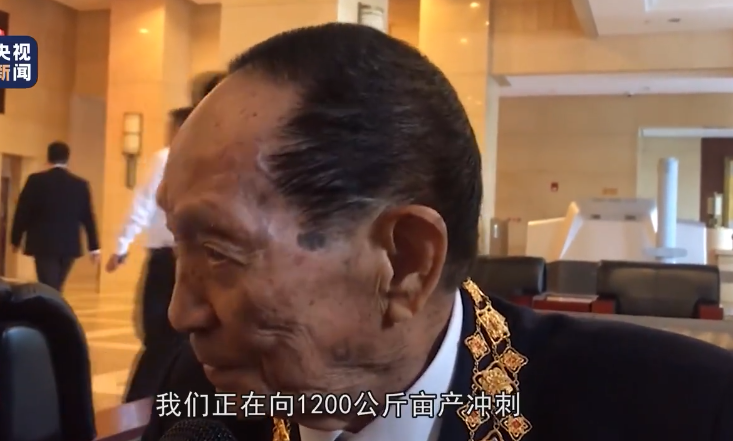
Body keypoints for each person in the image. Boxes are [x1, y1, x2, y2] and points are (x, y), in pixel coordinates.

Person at [143, 23, 733, 441]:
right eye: (178, 241)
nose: (180, 313)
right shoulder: (203, 391)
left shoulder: (683, 411)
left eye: (218, 251)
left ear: (405, 263)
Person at [106, 107, 195, 402]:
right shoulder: (208, 161)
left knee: (159, 338)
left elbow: (143, 203)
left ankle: (137, 407)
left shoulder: (167, 158)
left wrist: (122, 245)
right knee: (177, 340)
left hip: (166, 259)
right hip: (190, 259)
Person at [11, 141, 100, 293]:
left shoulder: (35, 181)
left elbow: (23, 212)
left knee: (49, 285)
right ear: (67, 158)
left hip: (43, 243)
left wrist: (16, 239)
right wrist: (94, 247)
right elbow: (88, 217)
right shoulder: (80, 185)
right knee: (55, 286)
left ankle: (51, 306)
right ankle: (53, 305)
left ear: (48, 157)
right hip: (69, 244)